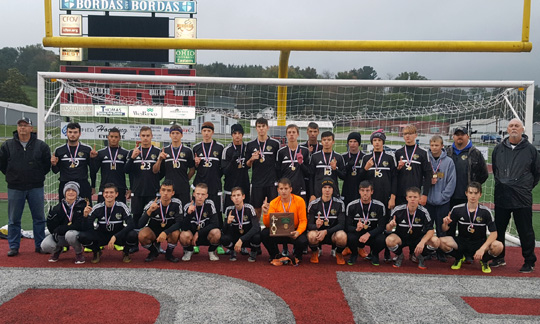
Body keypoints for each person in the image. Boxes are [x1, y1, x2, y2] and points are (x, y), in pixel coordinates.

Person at [490, 118, 540, 273]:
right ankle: (498, 257)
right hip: (502, 196)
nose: (513, 128)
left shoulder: (531, 150)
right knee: (499, 229)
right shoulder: (498, 149)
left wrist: (523, 187)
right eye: (511, 125)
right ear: (507, 129)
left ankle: (529, 261)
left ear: (522, 129)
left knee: (525, 230)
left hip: (521, 197)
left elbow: (536, 173)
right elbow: (496, 169)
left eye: (516, 126)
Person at [0, 117, 51, 256]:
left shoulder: (41, 146)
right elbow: (3, 165)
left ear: (31, 128)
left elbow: (46, 165)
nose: (22, 128)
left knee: (39, 218)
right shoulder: (7, 145)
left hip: (35, 186)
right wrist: (13, 176)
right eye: (20, 125)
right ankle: (14, 246)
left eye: (25, 125)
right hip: (15, 187)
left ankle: (40, 245)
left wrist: (36, 176)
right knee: (14, 219)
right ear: (17, 128)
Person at [439, 182, 503, 273]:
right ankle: (459, 258)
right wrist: (445, 223)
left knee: (499, 246)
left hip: (479, 242)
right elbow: (445, 229)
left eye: (476, 193)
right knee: (440, 241)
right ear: (466, 193)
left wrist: (482, 248)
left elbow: (494, 233)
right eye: (470, 192)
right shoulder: (457, 209)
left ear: (480, 194)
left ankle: (484, 261)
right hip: (462, 241)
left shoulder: (486, 211)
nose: (473, 196)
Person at [78, 183, 138, 263]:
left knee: (133, 234)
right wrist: (85, 217)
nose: (108, 195)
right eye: (106, 192)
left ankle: (126, 252)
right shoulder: (97, 207)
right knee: (82, 236)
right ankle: (96, 251)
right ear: (103, 194)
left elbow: (131, 225)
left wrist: (115, 236)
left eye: (111, 192)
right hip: (102, 235)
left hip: (118, 236)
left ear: (116, 194)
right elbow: (87, 227)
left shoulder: (122, 206)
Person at [385, 187, 440, 269]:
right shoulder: (398, 210)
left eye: (415, 197)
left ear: (419, 198)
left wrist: (422, 242)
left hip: (417, 239)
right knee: (389, 240)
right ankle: (400, 255)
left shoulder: (424, 211)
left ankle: (421, 257)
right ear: (406, 198)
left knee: (436, 241)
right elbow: (388, 229)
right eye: (410, 197)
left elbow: (430, 230)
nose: (412, 199)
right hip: (401, 237)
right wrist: (390, 225)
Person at [40, 181, 92, 264]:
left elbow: (82, 226)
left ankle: (79, 253)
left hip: (77, 235)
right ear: (64, 193)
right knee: (45, 245)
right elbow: (52, 227)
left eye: (73, 190)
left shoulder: (83, 206)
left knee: (70, 234)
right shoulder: (58, 207)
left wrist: (63, 228)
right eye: (68, 190)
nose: (71, 192)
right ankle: (58, 250)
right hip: (61, 236)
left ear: (77, 193)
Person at [261, 178, 308, 264]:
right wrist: (265, 213)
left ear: (291, 189)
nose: (283, 191)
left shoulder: (299, 201)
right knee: (264, 233)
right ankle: (275, 254)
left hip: (293, 231)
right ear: (278, 190)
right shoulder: (273, 203)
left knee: (303, 240)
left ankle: (297, 256)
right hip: (279, 232)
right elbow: (268, 224)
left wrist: (298, 231)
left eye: (286, 188)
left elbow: (303, 221)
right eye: (281, 189)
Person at [125, 126, 162, 230]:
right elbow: (126, 170)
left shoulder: (157, 152)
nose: (145, 138)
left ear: (151, 136)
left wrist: (154, 181)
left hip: (153, 191)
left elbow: (162, 172)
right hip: (137, 191)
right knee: (136, 218)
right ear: (140, 137)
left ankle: (154, 245)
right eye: (143, 136)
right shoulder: (132, 152)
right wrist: (132, 158)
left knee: (154, 218)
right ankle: (134, 245)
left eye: (148, 136)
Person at [425, 135, 456, 262]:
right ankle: (427, 251)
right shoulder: (425, 159)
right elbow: (420, 178)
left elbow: (451, 181)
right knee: (427, 228)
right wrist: (427, 183)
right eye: (432, 145)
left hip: (443, 201)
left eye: (437, 145)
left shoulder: (449, 162)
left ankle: (441, 251)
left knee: (441, 228)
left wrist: (444, 196)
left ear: (442, 146)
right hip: (428, 201)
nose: (434, 148)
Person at [138, 180, 183, 262]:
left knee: (176, 233)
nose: (165, 193)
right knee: (142, 235)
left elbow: (179, 223)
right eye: (163, 190)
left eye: (169, 191)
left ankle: (169, 254)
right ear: (160, 191)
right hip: (154, 230)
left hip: (169, 231)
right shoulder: (152, 203)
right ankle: (154, 251)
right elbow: (140, 224)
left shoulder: (177, 203)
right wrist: (150, 211)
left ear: (173, 193)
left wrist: (165, 232)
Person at [345, 180, 387, 266]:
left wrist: (369, 234)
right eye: (363, 190)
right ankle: (354, 254)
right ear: (359, 191)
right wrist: (356, 229)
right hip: (357, 235)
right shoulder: (351, 206)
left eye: (367, 190)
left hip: (372, 235)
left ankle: (374, 254)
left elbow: (382, 226)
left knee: (383, 239)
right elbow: (347, 226)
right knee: (348, 237)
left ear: (372, 192)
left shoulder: (380, 206)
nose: (365, 193)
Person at [51, 122, 95, 203]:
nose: (72, 135)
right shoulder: (59, 150)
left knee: (86, 210)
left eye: (75, 132)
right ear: (66, 133)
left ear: (80, 134)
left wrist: (93, 186)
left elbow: (93, 169)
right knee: (64, 210)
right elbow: (55, 171)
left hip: (82, 184)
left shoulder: (87, 149)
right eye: (70, 132)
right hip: (65, 184)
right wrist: (53, 165)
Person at [306, 177, 347, 265]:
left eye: (330, 188)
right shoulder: (313, 204)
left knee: (342, 236)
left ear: (333, 189)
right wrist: (316, 226)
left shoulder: (339, 204)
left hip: (333, 234)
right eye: (325, 187)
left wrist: (326, 231)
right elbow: (308, 225)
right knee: (311, 235)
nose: (327, 190)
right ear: (321, 189)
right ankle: (315, 252)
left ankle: (338, 253)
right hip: (318, 234)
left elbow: (341, 225)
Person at [446, 126, 488, 209]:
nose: (460, 136)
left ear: (468, 136)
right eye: (457, 134)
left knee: (466, 221)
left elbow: (484, 174)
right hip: (448, 196)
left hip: (468, 197)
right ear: (453, 136)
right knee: (449, 221)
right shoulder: (447, 152)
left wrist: (473, 187)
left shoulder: (475, 153)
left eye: (462, 134)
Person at [246, 117, 280, 218]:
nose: (261, 129)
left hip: (271, 182)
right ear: (256, 128)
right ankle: (256, 231)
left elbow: (278, 164)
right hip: (257, 182)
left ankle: (272, 231)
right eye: (259, 126)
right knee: (256, 208)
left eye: (263, 126)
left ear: (267, 127)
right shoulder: (250, 145)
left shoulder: (275, 144)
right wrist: (252, 159)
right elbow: (247, 165)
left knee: (272, 208)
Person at [154, 124, 195, 205]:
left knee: (184, 210)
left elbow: (192, 169)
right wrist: (159, 159)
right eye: (173, 133)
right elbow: (155, 170)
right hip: (168, 188)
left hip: (183, 187)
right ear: (170, 135)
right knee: (169, 211)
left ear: (181, 135)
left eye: (177, 133)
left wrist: (185, 179)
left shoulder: (188, 150)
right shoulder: (164, 150)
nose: (175, 135)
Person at [180, 183, 222, 261]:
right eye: (198, 194)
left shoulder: (210, 204)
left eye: (203, 194)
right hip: (192, 238)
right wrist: (189, 214)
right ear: (194, 194)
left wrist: (198, 233)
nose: (200, 197)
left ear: (206, 196)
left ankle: (211, 251)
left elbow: (216, 223)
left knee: (216, 232)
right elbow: (183, 227)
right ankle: (189, 250)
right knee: (183, 235)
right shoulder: (187, 206)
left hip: (206, 235)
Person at [193, 121, 224, 219]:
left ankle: (217, 230)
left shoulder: (220, 147)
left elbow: (222, 167)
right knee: (199, 210)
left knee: (216, 211)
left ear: (212, 132)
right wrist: (196, 164)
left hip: (214, 184)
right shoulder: (196, 147)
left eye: (209, 131)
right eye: (204, 130)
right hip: (200, 184)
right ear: (201, 132)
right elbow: (193, 168)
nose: (206, 133)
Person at [394, 125, 432, 206]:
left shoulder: (423, 153)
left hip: (415, 194)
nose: (407, 136)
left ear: (416, 135)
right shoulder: (398, 153)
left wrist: (425, 194)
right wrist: (398, 168)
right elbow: (393, 175)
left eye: (410, 133)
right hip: (400, 194)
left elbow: (428, 175)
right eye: (405, 134)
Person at [91, 127, 130, 204]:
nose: (113, 139)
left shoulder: (125, 153)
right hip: (104, 188)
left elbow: (130, 172)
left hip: (120, 188)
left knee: (120, 212)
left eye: (116, 137)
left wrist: (130, 188)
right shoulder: (101, 153)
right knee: (102, 212)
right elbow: (94, 170)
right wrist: (92, 159)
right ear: (108, 137)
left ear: (119, 138)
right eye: (111, 137)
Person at [221, 187, 261, 262]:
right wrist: (227, 223)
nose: (236, 198)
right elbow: (223, 230)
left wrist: (241, 240)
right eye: (234, 196)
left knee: (257, 237)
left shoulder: (249, 208)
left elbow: (256, 227)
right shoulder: (229, 209)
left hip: (247, 238)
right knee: (223, 239)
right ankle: (232, 250)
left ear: (243, 196)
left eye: (238, 195)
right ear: (231, 198)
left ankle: (253, 252)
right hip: (235, 237)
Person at [276, 124, 310, 201]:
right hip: (286, 188)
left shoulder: (305, 151)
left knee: (300, 211)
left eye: (294, 132)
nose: (291, 134)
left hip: (300, 186)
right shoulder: (281, 152)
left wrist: (301, 163)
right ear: (286, 135)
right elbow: (278, 171)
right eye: (289, 132)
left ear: (297, 134)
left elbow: (308, 172)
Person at [309, 131, 345, 201]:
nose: (326, 142)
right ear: (321, 142)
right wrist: (312, 194)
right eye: (324, 140)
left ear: (333, 142)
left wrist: (335, 169)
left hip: (333, 192)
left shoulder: (338, 157)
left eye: (329, 140)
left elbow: (343, 176)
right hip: (317, 193)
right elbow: (311, 177)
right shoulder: (315, 156)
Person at [222, 124, 250, 211]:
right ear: (232, 135)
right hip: (230, 185)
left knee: (246, 212)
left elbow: (249, 166)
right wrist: (232, 161)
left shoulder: (247, 148)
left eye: (239, 133)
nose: (237, 135)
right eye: (235, 133)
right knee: (229, 212)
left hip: (244, 185)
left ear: (242, 134)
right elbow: (224, 171)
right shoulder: (227, 150)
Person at [341, 132, 364, 206]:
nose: (352, 144)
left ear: (359, 143)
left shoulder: (364, 157)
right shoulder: (343, 157)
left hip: (360, 189)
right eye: (350, 141)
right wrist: (348, 167)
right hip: (347, 189)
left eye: (355, 141)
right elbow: (342, 176)